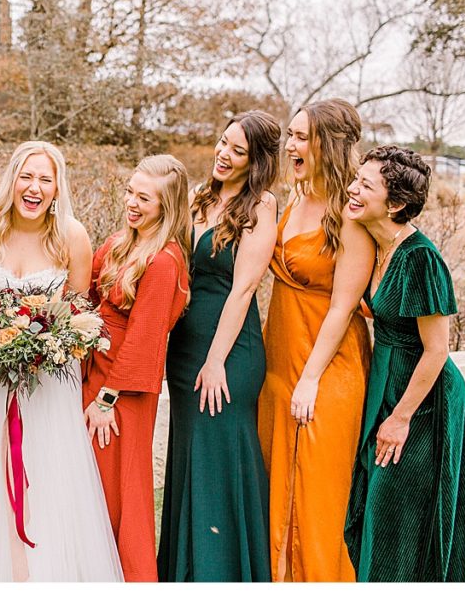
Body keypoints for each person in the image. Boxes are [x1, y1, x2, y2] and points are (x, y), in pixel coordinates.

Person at [0, 141, 123, 582]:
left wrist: (41, 348)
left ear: (57, 188)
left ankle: (37, 568)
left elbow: (77, 315)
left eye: (45, 179)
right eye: (26, 176)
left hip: (46, 381)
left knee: (44, 466)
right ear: (11, 178)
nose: (34, 188)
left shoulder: (73, 237)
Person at [344, 146, 465, 581]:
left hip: (424, 402)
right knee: (376, 506)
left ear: (397, 204)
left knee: (399, 514)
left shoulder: (420, 257)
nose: (353, 189)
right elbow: (382, 309)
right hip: (388, 381)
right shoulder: (375, 244)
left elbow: (437, 349)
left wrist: (400, 418)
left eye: (366, 185)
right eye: (356, 179)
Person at [158, 111, 279, 582]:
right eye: (223, 143)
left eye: (237, 151)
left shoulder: (261, 207)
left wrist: (215, 361)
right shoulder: (196, 197)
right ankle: (186, 569)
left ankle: (225, 572)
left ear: (258, 162)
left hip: (228, 353)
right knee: (190, 456)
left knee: (220, 457)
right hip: (185, 347)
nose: (223, 156)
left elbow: (244, 289)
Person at [257, 99, 374, 582]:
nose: (291, 145)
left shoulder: (352, 212)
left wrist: (309, 379)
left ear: (330, 144)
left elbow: (344, 306)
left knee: (314, 497)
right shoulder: (295, 198)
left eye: (302, 137)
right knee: (276, 485)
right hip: (279, 360)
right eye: (290, 135)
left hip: (327, 368)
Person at [82, 154, 191, 582]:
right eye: (130, 191)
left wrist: (108, 399)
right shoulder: (118, 243)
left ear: (166, 206)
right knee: (91, 485)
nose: (131, 202)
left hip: (120, 393)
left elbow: (146, 340)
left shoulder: (164, 261)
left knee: (119, 491)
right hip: (94, 373)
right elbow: (86, 297)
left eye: (144, 198)